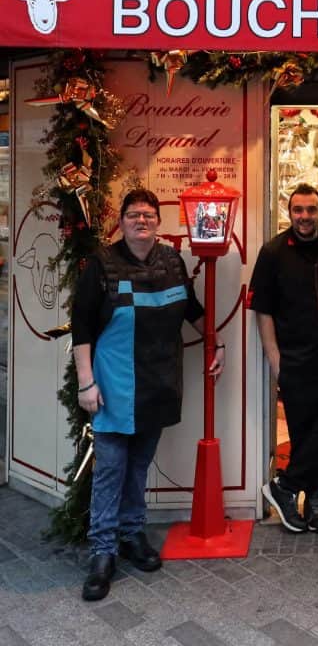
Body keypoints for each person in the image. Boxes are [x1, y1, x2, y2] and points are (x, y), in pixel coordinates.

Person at [72, 188, 225, 602]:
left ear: (158, 222)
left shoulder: (172, 261)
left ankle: (131, 535)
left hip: (158, 382)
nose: (141, 221)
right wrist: (86, 382)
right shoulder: (101, 264)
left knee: (139, 465)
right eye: (133, 215)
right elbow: (81, 325)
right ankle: (102, 551)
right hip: (114, 385)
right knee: (111, 469)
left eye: (148, 215)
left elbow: (191, 309)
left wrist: (217, 344)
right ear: (121, 222)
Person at [250, 183, 318, 534]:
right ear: (289, 212)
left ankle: (284, 486)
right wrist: (274, 358)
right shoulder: (272, 252)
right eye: (298, 210)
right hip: (296, 359)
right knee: (304, 434)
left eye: (311, 210)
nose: (304, 216)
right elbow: (263, 310)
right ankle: (314, 500)